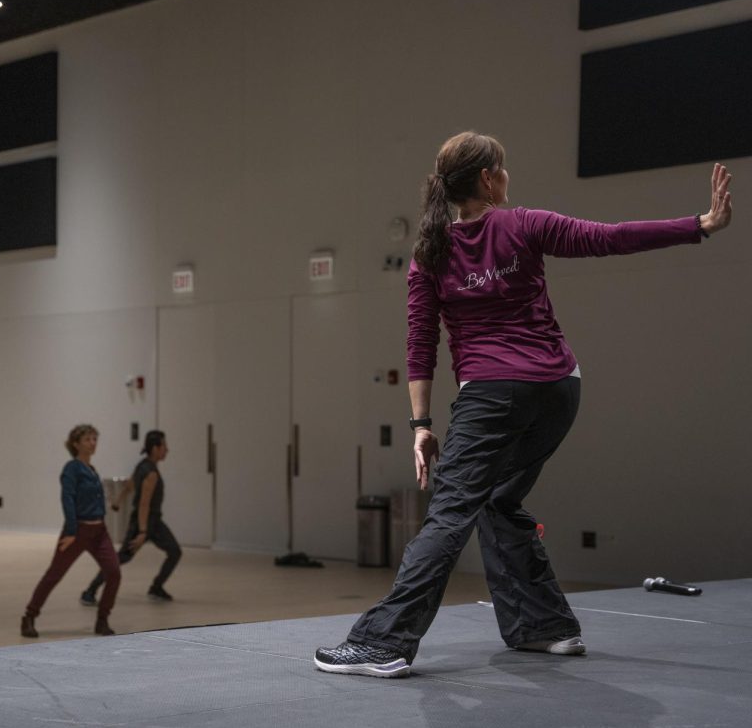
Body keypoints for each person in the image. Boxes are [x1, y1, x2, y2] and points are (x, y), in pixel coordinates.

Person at [314, 132, 733, 678]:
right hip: (559, 390)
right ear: (488, 179)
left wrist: (421, 425)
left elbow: (421, 347)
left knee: (449, 513)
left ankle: (382, 642)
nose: (508, 177)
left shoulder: (430, 254)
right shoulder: (523, 225)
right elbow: (608, 238)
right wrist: (697, 225)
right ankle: (545, 626)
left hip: (491, 396)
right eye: (504, 168)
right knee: (498, 500)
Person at [21, 424, 121, 638]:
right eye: (88, 439)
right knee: (55, 574)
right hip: (77, 531)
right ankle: (29, 616)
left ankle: (102, 620)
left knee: (113, 571)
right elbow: (67, 499)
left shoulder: (92, 470)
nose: (93, 443)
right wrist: (72, 531)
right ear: (75, 444)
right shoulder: (72, 468)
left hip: (98, 531)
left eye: (95, 439)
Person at [81, 430, 181, 605]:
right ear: (155, 448)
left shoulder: (142, 465)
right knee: (121, 558)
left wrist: (118, 501)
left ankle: (156, 587)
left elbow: (130, 484)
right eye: (164, 446)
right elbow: (144, 504)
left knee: (175, 551)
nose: (167, 450)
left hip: (154, 523)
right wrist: (142, 532)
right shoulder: (150, 473)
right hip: (145, 523)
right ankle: (90, 591)